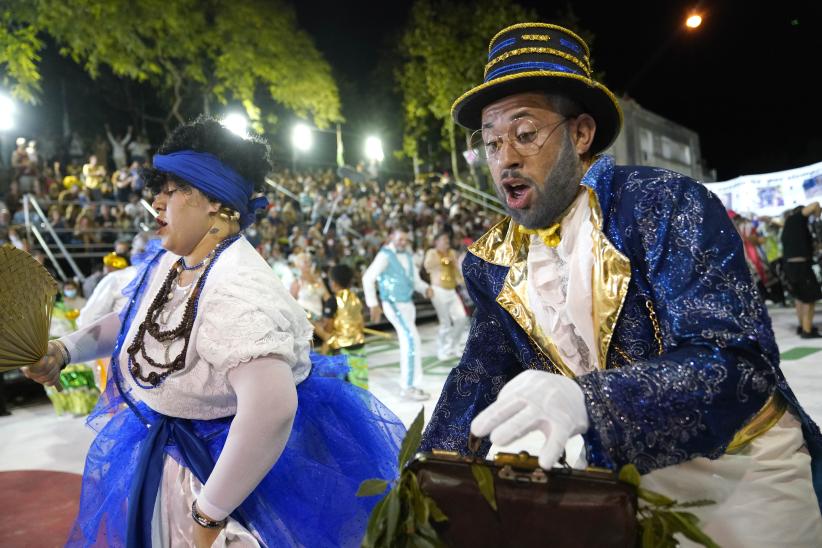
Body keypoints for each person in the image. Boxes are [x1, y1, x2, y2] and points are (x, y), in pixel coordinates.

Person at [419, 22, 822, 545]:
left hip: (744, 475)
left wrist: (588, 402)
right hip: (620, 488)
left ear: (581, 134)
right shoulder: (489, 263)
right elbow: (479, 373)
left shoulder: (665, 204)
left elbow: (736, 367)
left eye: (525, 134)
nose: (506, 159)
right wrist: (427, 481)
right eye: (491, 143)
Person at [23, 116, 403, 547]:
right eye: (158, 191)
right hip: (179, 463)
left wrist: (208, 515)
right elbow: (137, 319)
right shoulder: (177, 262)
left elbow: (271, 409)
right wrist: (64, 350)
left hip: (235, 479)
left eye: (171, 190)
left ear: (213, 201)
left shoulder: (237, 285)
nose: (156, 203)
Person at [362, 228, 433, 401]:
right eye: (400, 239)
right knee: (411, 340)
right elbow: (368, 278)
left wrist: (425, 288)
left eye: (405, 240)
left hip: (407, 303)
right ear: (391, 237)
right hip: (393, 303)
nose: (403, 242)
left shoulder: (408, 256)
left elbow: (414, 280)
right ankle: (408, 386)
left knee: (409, 341)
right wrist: (373, 303)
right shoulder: (385, 255)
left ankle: (411, 384)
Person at [315, 264, 369, 389]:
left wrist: (318, 325)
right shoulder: (356, 298)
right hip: (359, 346)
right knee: (360, 384)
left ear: (333, 283)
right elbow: (361, 322)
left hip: (342, 349)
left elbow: (328, 329)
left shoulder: (332, 301)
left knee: (343, 388)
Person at [423, 231, 469, 360]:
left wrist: (464, 282)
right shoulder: (432, 253)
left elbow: (456, 272)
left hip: (452, 290)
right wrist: (443, 259)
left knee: (461, 318)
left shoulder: (452, 253)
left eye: (448, 240)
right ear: (436, 242)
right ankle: (442, 349)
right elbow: (427, 266)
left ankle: (453, 346)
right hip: (438, 291)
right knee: (445, 323)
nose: (447, 242)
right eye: (444, 240)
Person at [781, 202, 822, 337]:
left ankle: (803, 326)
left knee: (800, 298)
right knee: (810, 298)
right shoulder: (798, 218)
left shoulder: (789, 226)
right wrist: (817, 216)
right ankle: (807, 331)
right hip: (801, 267)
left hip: (789, 266)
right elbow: (815, 204)